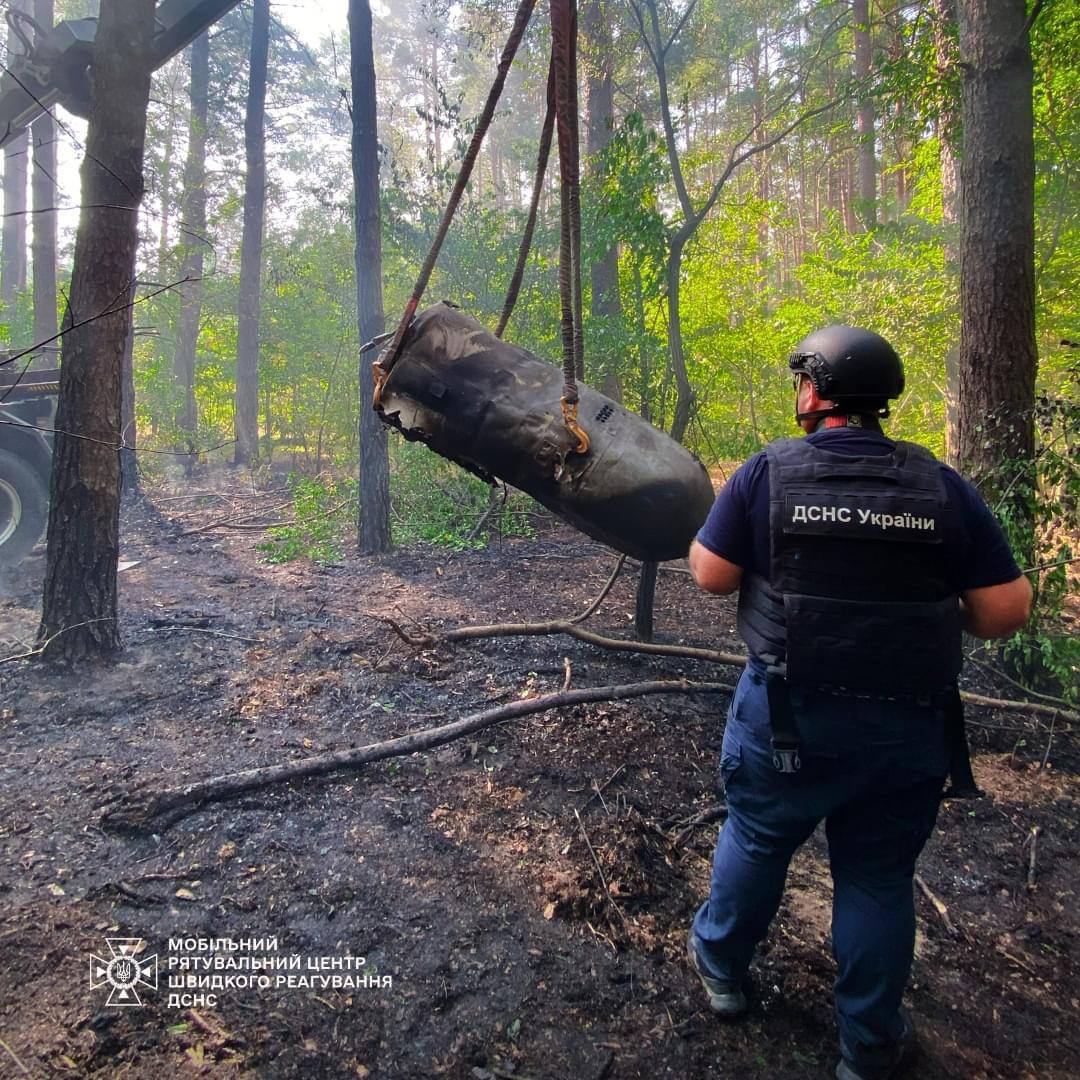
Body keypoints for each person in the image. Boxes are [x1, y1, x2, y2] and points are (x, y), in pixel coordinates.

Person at [685, 326, 1032, 1080]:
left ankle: (720, 971)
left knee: (756, 839)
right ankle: (869, 1047)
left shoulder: (767, 473)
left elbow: (710, 575)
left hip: (786, 722)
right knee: (875, 879)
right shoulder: (941, 485)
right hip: (905, 727)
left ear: (814, 393)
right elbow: (1006, 611)